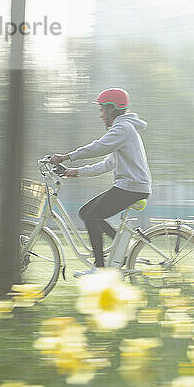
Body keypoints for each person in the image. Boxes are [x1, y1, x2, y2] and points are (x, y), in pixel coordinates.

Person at [50, 88, 151, 276]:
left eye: (102, 110)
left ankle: (101, 268)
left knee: (90, 215)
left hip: (131, 187)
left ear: (112, 109)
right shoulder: (123, 130)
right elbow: (106, 164)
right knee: (86, 213)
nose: (100, 115)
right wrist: (75, 172)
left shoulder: (122, 129)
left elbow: (98, 147)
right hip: (131, 187)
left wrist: (66, 157)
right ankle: (124, 249)